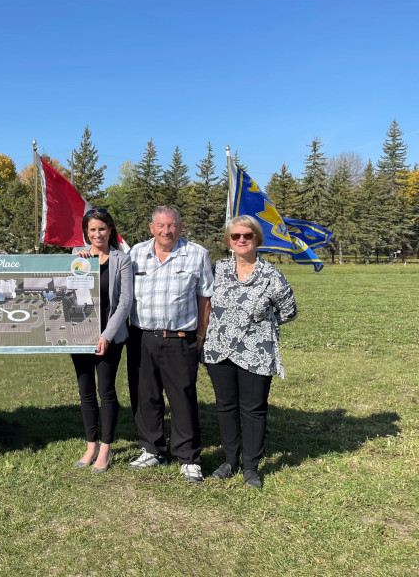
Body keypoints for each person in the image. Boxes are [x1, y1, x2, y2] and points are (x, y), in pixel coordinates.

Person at [202, 215, 297, 488]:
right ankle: (230, 460)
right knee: (226, 407)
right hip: (219, 350)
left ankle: (251, 467)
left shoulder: (271, 274)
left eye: (247, 235)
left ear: (257, 238)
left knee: (253, 410)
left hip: (257, 352)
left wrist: (263, 325)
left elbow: (289, 311)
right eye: (236, 236)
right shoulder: (218, 269)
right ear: (229, 240)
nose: (242, 240)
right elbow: (205, 302)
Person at [126, 206, 213, 483]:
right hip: (142, 337)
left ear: (180, 226)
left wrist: (201, 336)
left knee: (182, 399)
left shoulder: (197, 254)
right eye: (161, 226)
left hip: (180, 338)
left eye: (172, 225)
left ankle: (188, 457)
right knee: (145, 396)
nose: (167, 231)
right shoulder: (136, 254)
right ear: (151, 228)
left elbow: (205, 298)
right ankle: (151, 449)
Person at [70, 209, 133, 472]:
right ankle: (91, 445)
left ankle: (105, 448)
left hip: (110, 337)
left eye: (102, 229)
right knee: (85, 391)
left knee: (105, 390)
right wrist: (79, 263)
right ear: (87, 232)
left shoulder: (122, 260)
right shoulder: (76, 257)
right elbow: (67, 293)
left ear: (110, 230)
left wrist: (106, 336)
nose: (98, 234)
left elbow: (125, 301)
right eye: (93, 230)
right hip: (80, 335)